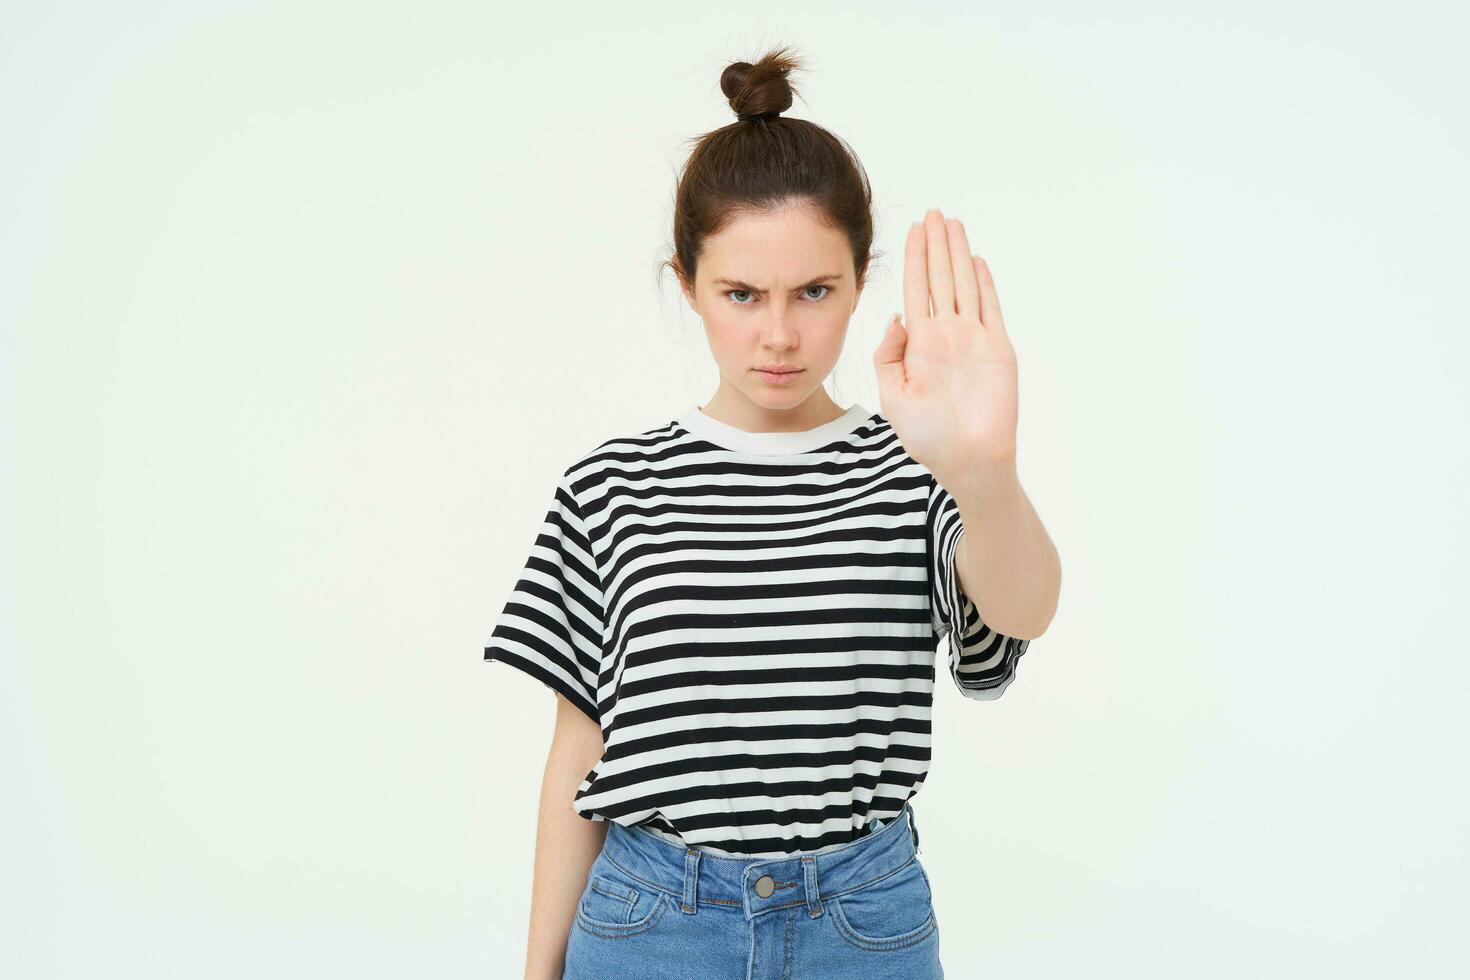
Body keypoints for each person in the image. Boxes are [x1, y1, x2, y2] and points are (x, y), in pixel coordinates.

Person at [483, 44, 1061, 980]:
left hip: (862, 922)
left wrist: (985, 470)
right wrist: (537, 971)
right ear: (687, 284)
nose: (780, 335)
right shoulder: (610, 485)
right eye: (742, 295)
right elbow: (577, 751)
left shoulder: (915, 468)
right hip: (651, 924)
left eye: (815, 292)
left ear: (861, 281)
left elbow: (1021, 618)